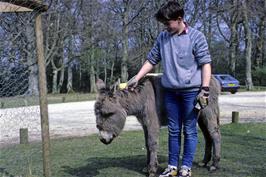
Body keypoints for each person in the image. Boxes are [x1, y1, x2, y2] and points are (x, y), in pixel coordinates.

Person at [127, 1, 211, 177]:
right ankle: (172, 168)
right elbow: (151, 60)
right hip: (170, 92)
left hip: (191, 92)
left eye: (167, 23)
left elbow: (205, 64)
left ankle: (186, 168)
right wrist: (137, 77)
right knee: (173, 130)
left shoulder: (197, 37)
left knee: (189, 130)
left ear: (179, 19)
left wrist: (204, 89)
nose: (165, 27)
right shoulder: (163, 38)